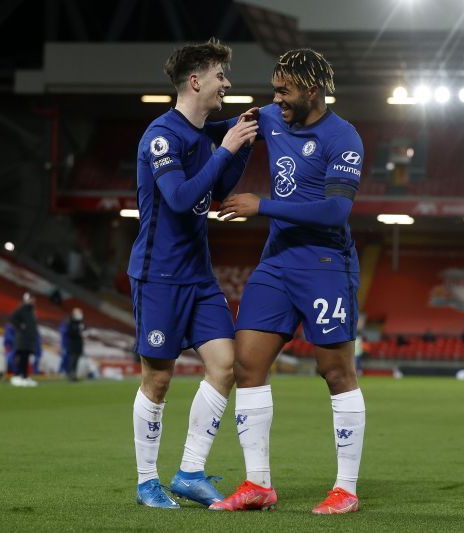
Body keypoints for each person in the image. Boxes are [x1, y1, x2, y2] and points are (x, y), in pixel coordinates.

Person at [212, 48, 365, 514]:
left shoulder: (344, 137)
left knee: (335, 371)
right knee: (246, 365)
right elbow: (217, 139)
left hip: (325, 264)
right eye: (274, 88)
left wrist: (263, 206)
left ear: (312, 90)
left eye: (284, 90)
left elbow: (335, 210)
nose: (275, 98)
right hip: (276, 263)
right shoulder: (270, 119)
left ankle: (346, 489)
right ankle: (258, 483)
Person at [126, 38, 258, 509]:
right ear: (196, 80)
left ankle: (188, 472)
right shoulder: (161, 135)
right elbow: (181, 200)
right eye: (221, 75)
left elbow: (219, 187)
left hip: (199, 277)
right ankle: (146, 482)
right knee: (157, 381)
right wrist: (225, 147)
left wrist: (240, 145)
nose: (227, 83)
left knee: (227, 365)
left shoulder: (205, 136)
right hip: (158, 275)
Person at [7, 293, 40, 387]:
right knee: (21, 358)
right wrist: (20, 327)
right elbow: (12, 318)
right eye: (30, 299)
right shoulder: (22, 309)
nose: (32, 301)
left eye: (33, 299)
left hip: (29, 339)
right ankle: (17, 376)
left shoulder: (31, 311)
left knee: (26, 359)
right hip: (22, 339)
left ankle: (25, 377)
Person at [61, 308, 85, 381]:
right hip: (72, 344)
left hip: (78, 344)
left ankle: (74, 374)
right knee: (72, 359)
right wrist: (78, 334)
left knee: (76, 360)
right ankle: (70, 374)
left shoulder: (80, 322)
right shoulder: (70, 322)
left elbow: (83, 330)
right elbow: (69, 333)